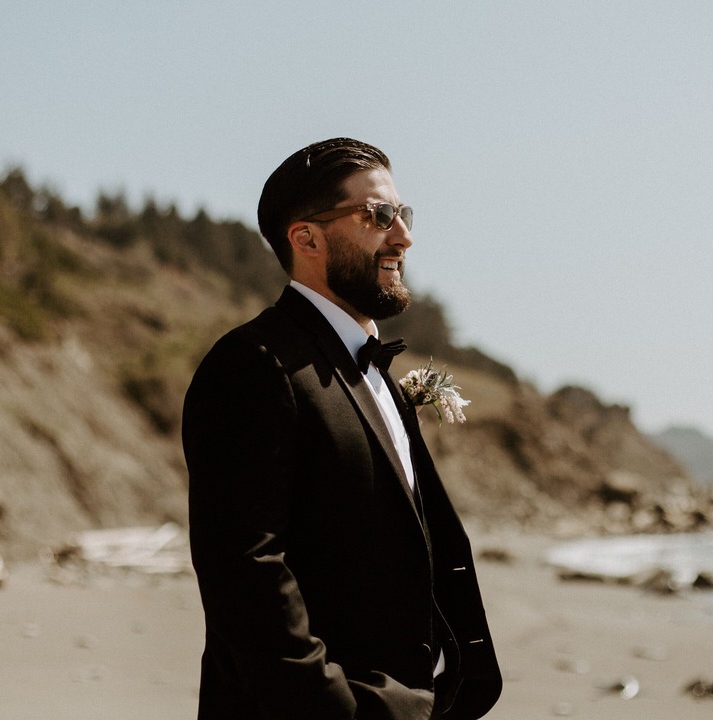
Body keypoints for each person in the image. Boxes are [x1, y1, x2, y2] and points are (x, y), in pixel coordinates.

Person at [183, 138, 501, 720]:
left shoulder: (375, 368)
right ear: (306, 238)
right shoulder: (254, 364)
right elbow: (246, 575)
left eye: (403, 215)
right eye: (378, 217)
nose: (402, 236)